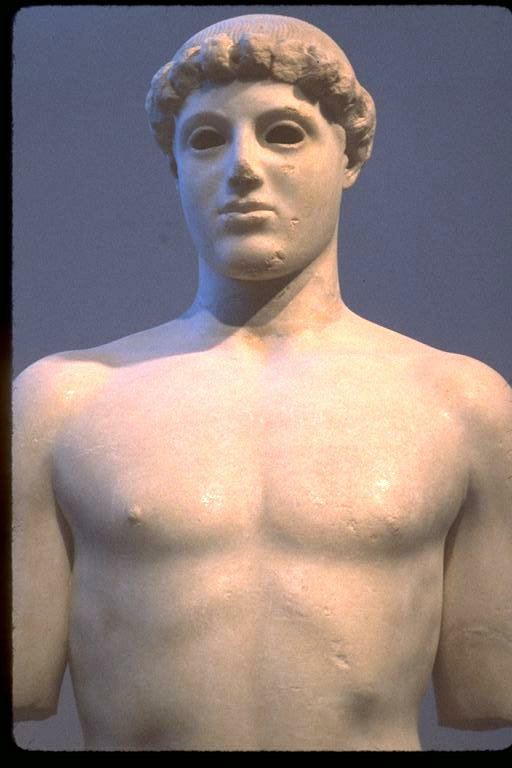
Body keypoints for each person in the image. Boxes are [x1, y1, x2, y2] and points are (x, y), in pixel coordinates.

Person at [13, 14, 512, 750]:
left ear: (350, 157)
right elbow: (22, 682)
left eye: (283, 133)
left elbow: (486, 688)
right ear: (176, 167)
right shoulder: (63, 402)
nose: (242, 168)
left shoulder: (463, 407)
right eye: (205, 139)